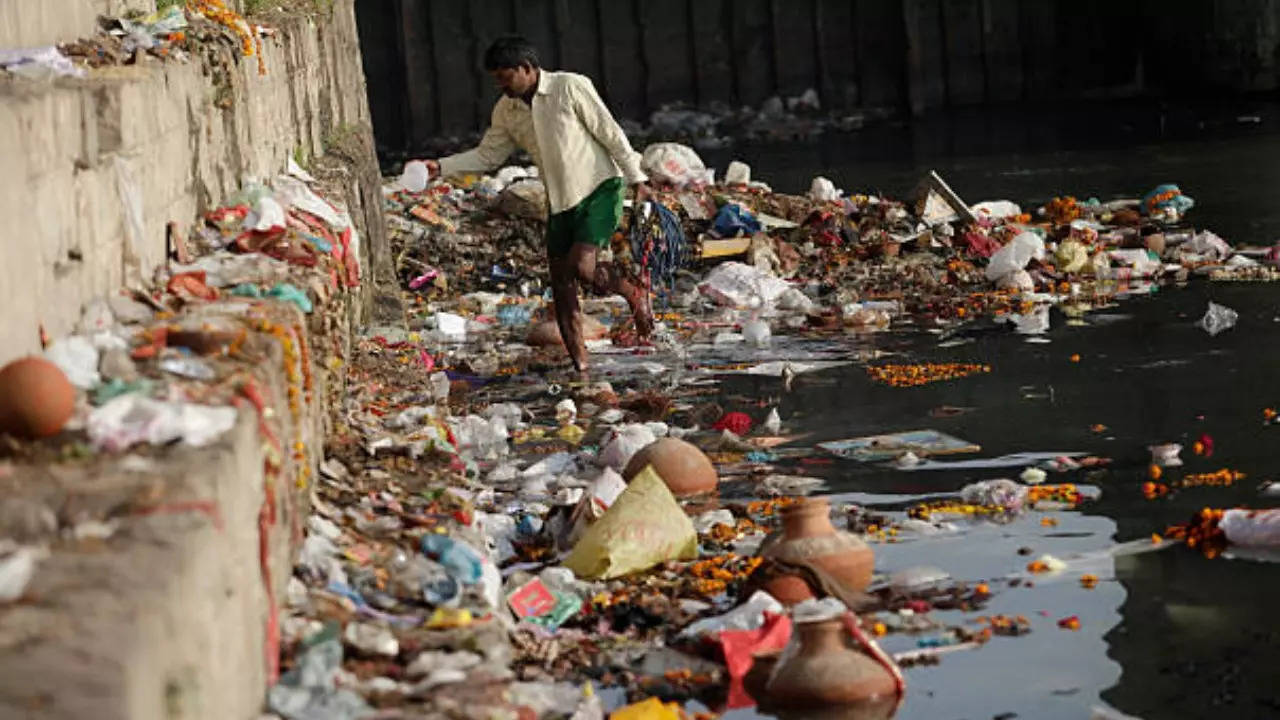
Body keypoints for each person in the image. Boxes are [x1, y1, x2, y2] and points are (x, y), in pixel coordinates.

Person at [421, 35, 653, 377]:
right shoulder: (506, 110)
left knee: (583, 267)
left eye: (505, 76)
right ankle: (582, 369)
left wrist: (638, 178)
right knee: (562, 287)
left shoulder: (569, 87)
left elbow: (609, 132)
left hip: (600, 187)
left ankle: (632, 291)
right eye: (496, 78)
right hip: (559, 202)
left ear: (527, 68)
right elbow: (489, 155)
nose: (500, 85)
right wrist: (441, 167)